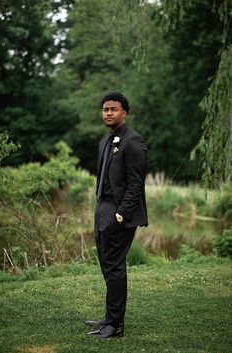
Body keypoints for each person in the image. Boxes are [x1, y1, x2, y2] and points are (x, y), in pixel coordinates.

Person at [85, 91, 148, 338]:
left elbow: (135, 185)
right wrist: (101, 208)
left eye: (113, 109)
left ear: (125, 113)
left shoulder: (133, 141)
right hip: (103, 208)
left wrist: (121, 215)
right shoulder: (105, 141)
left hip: (118, 213)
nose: (108, 113)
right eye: (105, 109)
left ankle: (115, 327)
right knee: (107, 265)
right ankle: (110, 317)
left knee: (114, 267)